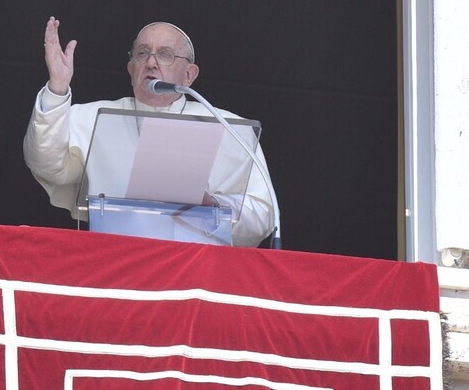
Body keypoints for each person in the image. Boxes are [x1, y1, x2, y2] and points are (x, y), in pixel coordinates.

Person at [23, 17, 278, 247]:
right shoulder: (91, 117)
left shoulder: (229, 127)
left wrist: (211, 206)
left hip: (198, 271)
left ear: (189, 75)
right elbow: (46, 164)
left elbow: (263, 216)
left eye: (165, 55)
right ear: (131, 69)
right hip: (115, 261)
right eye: (142, 54)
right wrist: (57, 90)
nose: (151, 63)